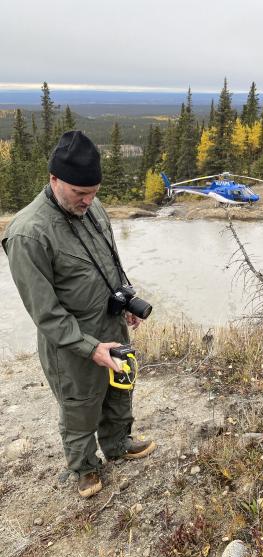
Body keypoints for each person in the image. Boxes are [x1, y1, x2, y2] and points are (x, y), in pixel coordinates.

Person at [1, 130, 156, 498]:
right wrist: (91, 347)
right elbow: (47, 314)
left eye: (94, 192)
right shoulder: (28, 234)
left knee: (119, 390)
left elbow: (111, 258)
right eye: (80, 193)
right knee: (80, 405)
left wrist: (126, 296)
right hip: (70, 343)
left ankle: (118, 444)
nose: (88, 201)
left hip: (112, 323)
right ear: (54, 179)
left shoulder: (93, 207)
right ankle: (84, 467)